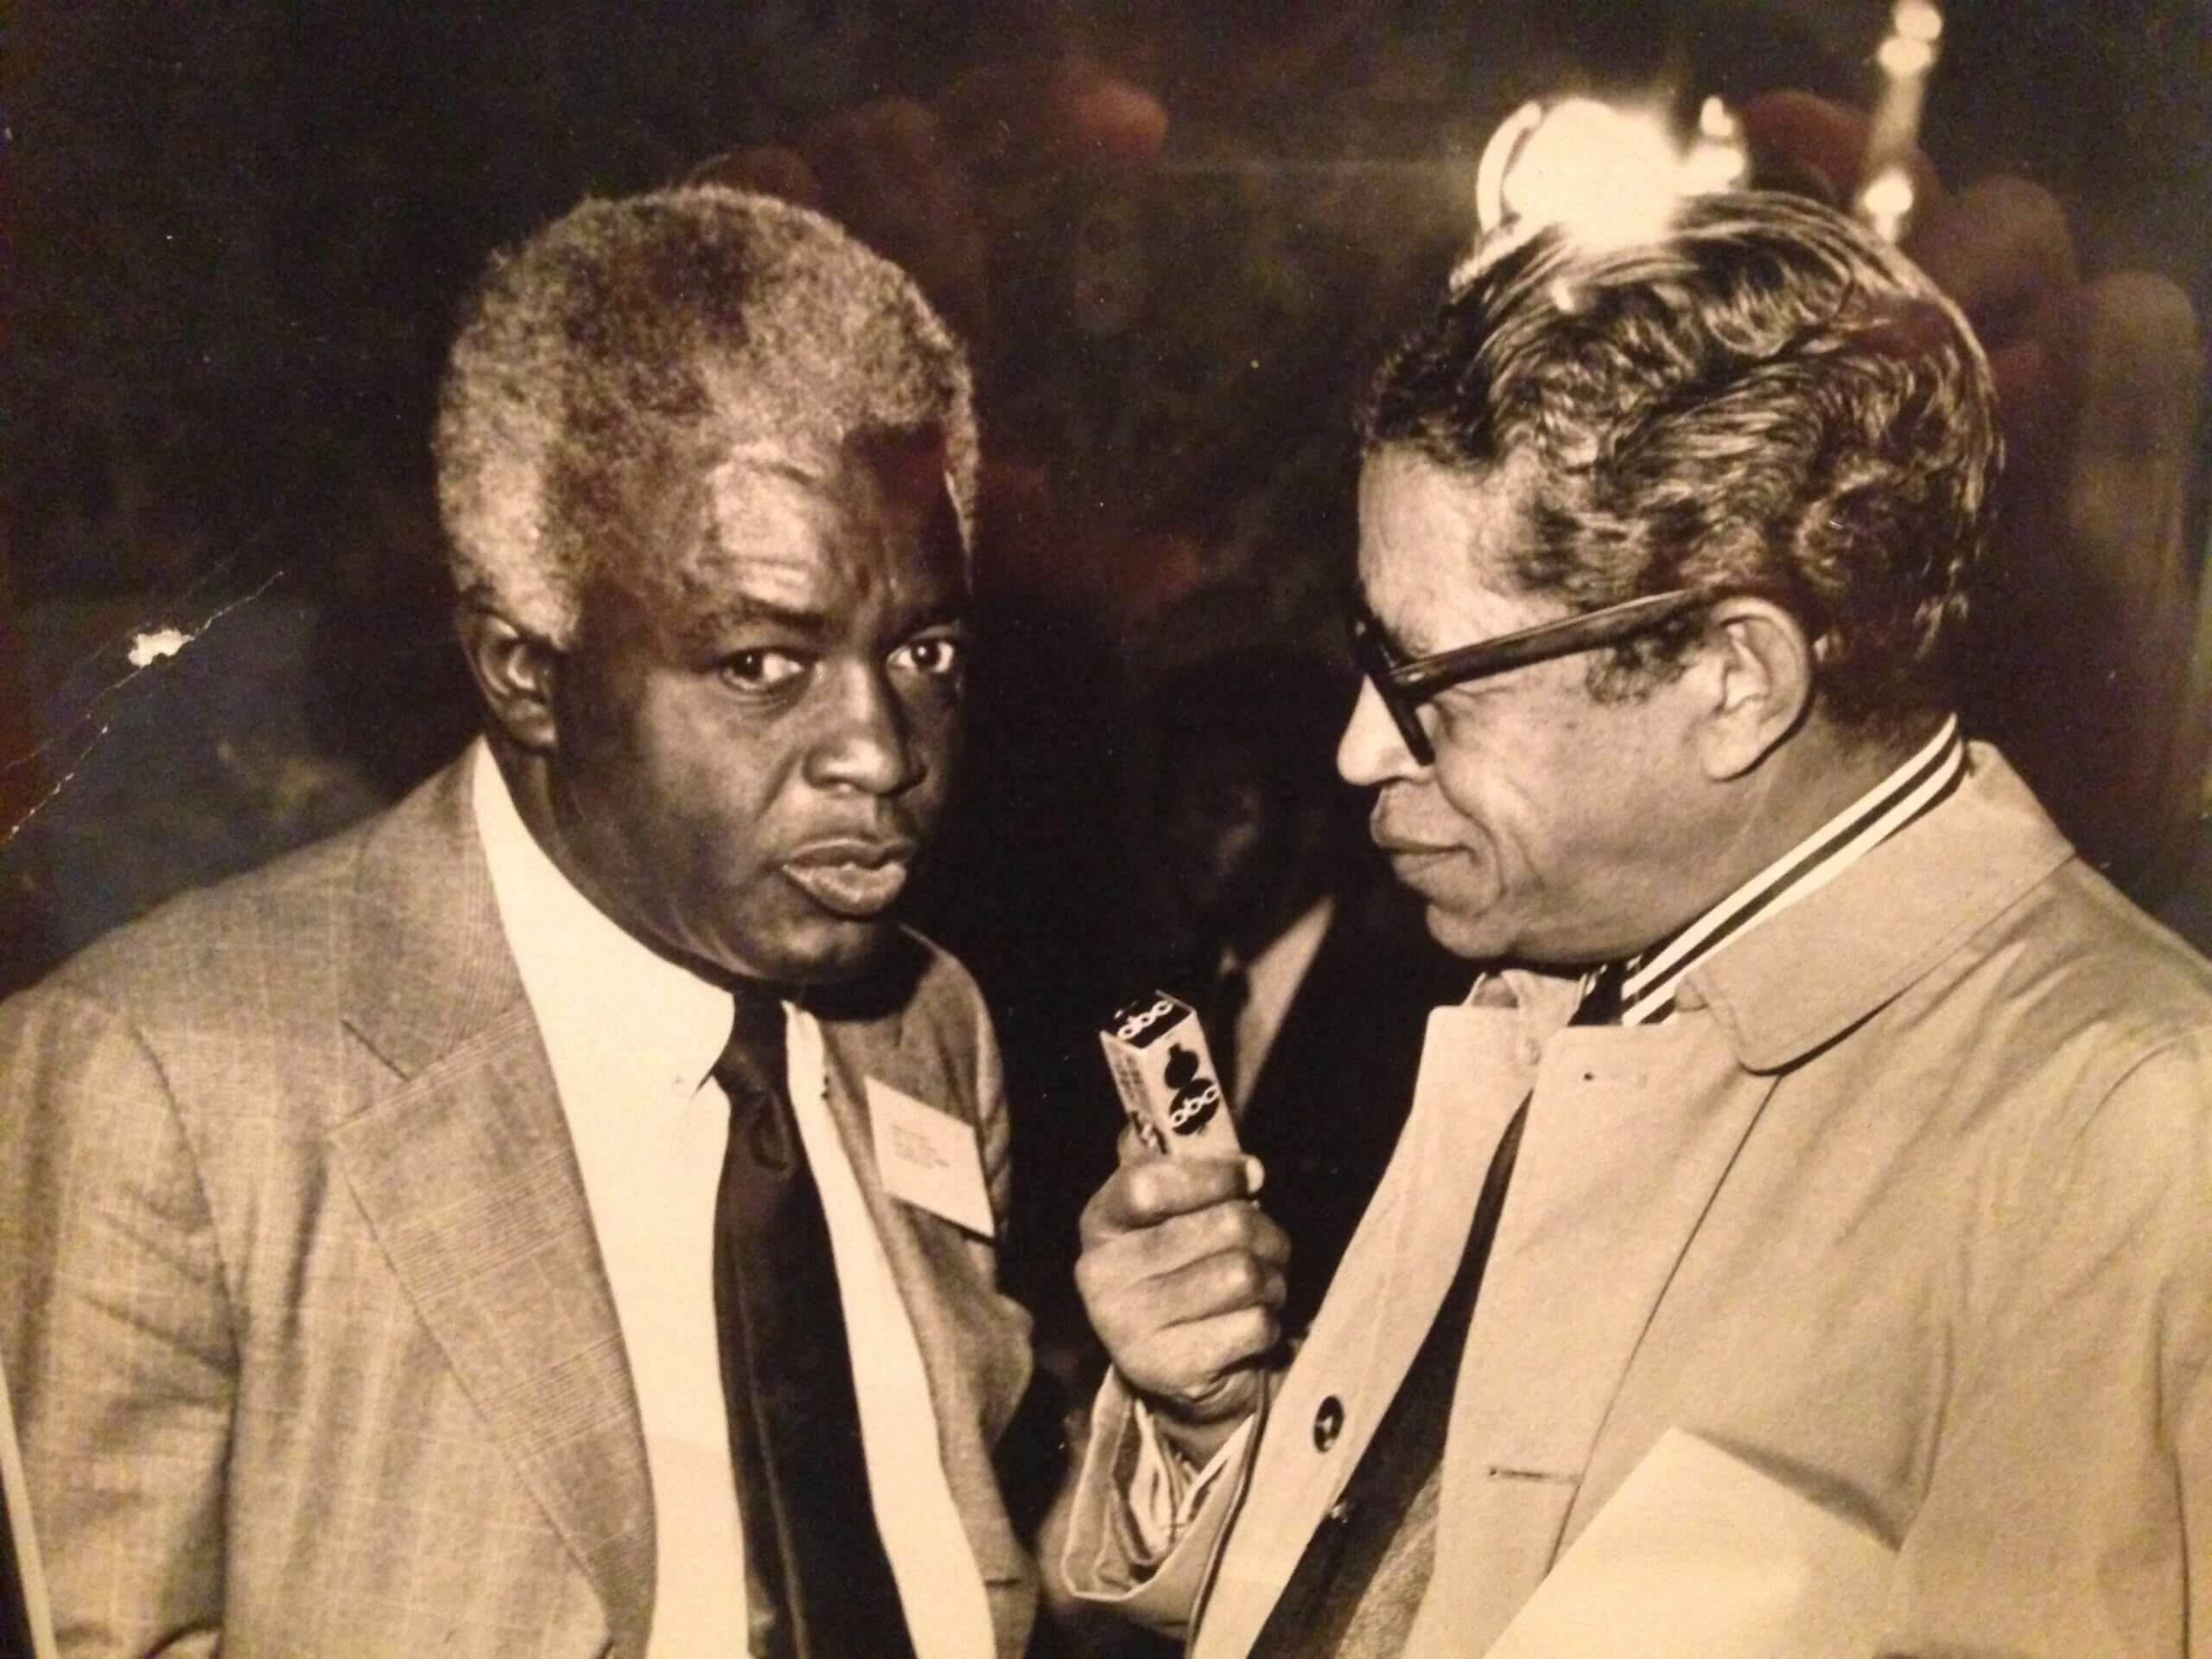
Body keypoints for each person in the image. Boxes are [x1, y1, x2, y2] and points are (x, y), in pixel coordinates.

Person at [1062, 189, 2212, 1656]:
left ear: (1736, 679)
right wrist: (1207, 1417)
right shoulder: (1559, 980)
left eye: (1427, 687)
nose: (1359, 753)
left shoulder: (2128, 1130)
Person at [0, 186, 1041, 1658]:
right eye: (760, 664)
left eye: (922, 648)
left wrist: (1172, 1421)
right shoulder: (161, 1083)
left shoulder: (930, 1028)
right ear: (524, 672)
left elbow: (967, 1556)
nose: (878, 749)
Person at [1142, 645, 1465, 1339]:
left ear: (1312, 825)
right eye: (1173, 804)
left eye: (1222, 808)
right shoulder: (1162, 992)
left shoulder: (1412, 1018)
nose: (1182, 834)